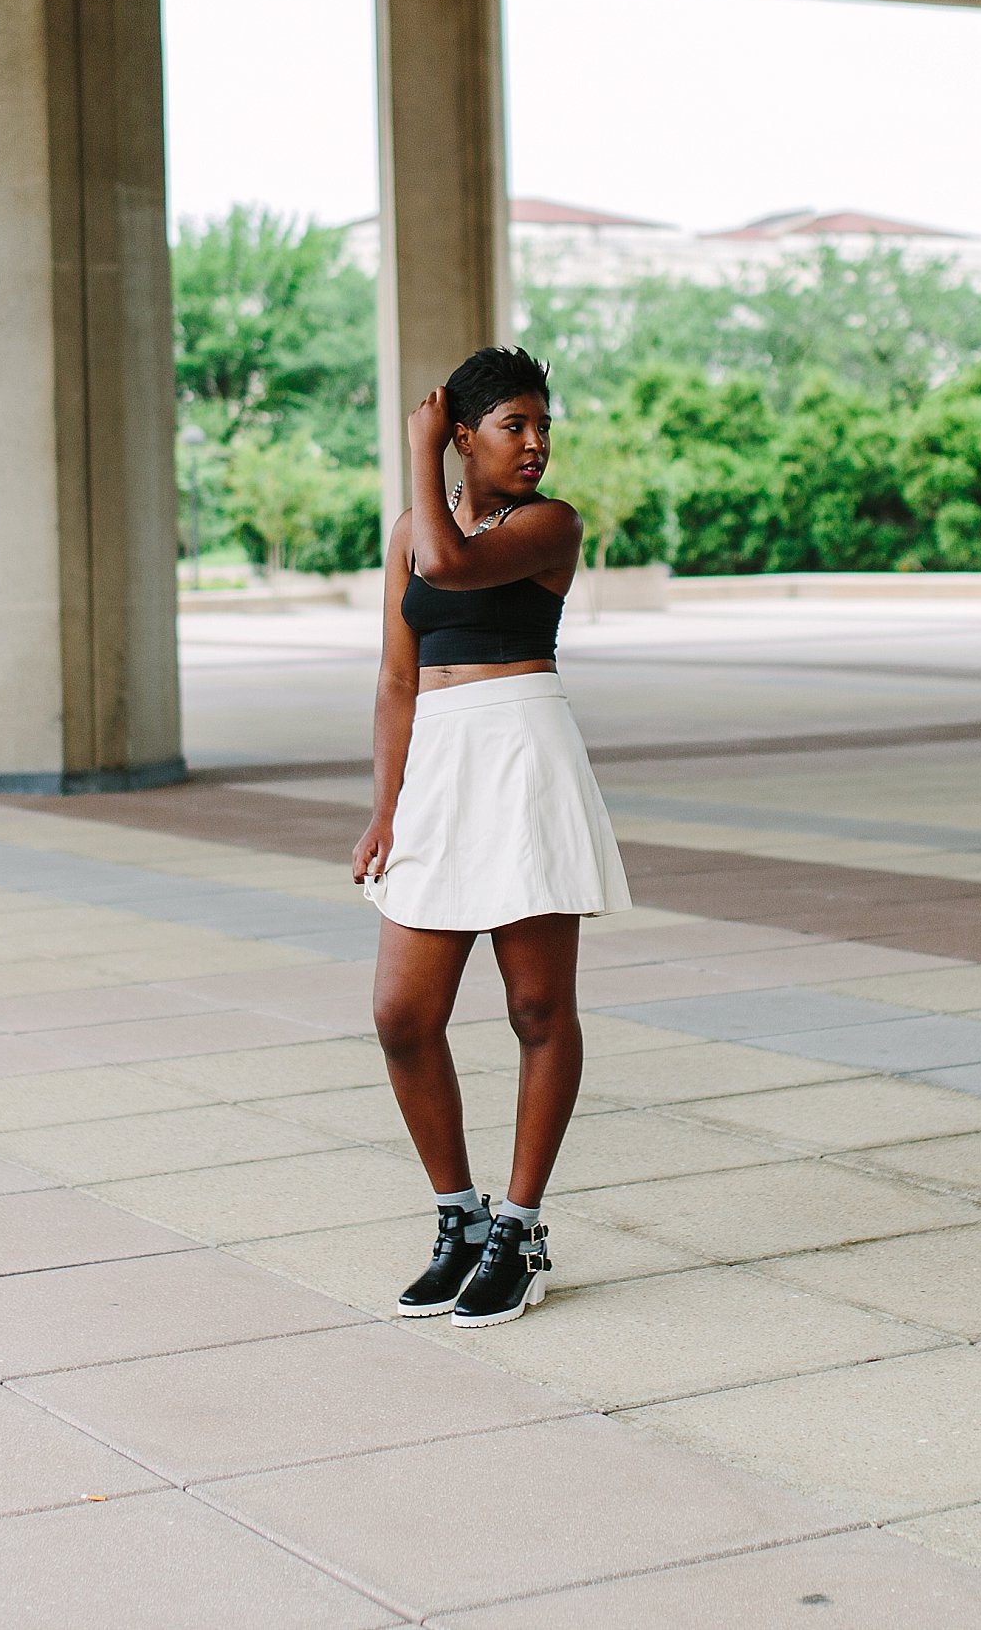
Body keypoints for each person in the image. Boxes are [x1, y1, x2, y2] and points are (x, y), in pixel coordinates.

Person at [352, 345, 630, 1328]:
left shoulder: (549, 524)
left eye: (544, 424)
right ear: (469, 433)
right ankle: (457, 1216)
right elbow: (394, 678)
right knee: (400, 1013)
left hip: (521, 754)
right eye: (514, 424)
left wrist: (422, 455)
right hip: (438, 766)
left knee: (537, 1005)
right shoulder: (408, 531)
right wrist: (386, 807)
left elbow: (453, 564)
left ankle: (519, 1224)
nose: (537, 442)